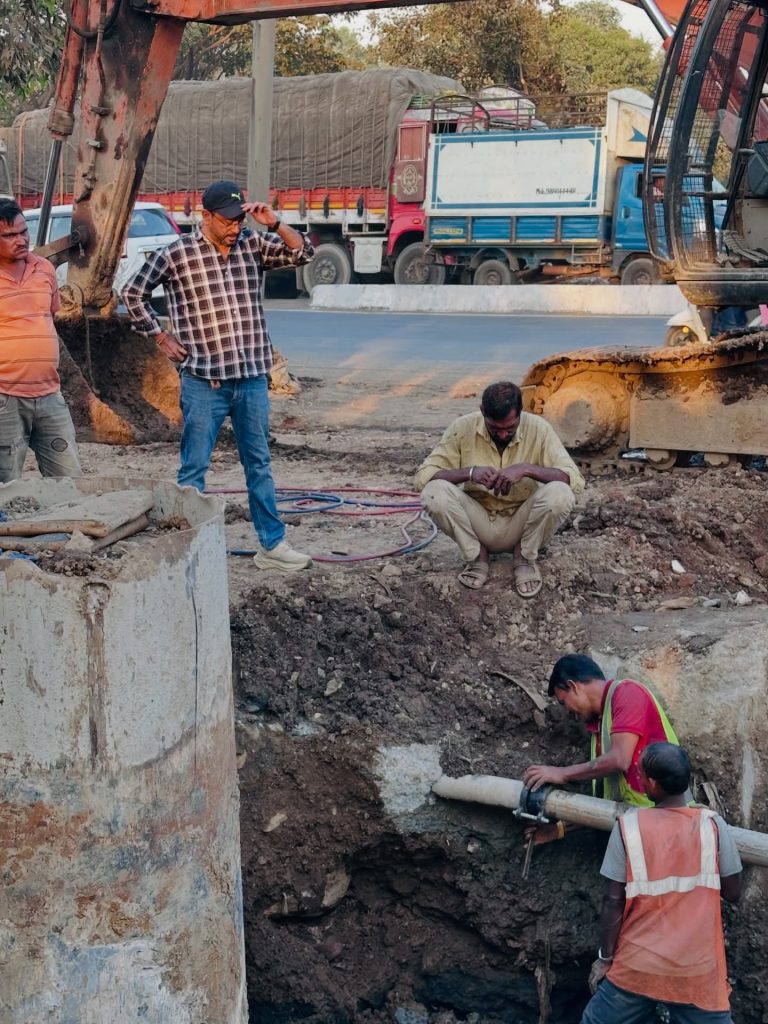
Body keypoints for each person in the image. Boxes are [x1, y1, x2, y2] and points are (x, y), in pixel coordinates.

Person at [122, 180, 314, 572]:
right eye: (227, 220)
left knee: (258, 463)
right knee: (194, 468)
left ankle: (272, 546)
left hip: (252, 379)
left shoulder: (252, 245)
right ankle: (187, 548)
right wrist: (159, 335)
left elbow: (304, 254)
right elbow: (132, 293)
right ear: (205, 216)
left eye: (239, 218)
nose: (235, 227)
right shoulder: (178, 254)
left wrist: (274, 224)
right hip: (204, 382)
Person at [582, 742, 741, 1023]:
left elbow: (613, 901)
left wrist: (605, 958)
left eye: (642, 775)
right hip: (696, 972)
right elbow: (732, 893)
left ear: (653, 785)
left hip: (638, 967)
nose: (639, 778)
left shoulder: (628, 827)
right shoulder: (713, 825)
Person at [414, 381, 584, 596]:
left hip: (522, 524)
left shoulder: (538, 428)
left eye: (509, 428)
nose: (503, 435)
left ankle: (524, 556)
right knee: (433, 493)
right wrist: (470, 472)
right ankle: (477, 557)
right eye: (495, 428)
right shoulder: (462, 427)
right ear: (483, 412)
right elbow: (423, 477)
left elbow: (574, 479)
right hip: (478, 523)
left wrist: (526, 469)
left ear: (520, 414)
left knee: (560, 493)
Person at [523, 654, 681, 843]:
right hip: (641, 830)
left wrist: (562, 773)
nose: (567, 711)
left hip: (670, 827)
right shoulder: (602, 728)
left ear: (574, 686)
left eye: (564, 702)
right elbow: (608, 803)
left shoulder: (628, 693)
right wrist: (557, 830)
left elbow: (620, 760)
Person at [0, 198, 81, 482]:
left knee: (69, 480)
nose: (21, 240)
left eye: (23, 231)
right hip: (5, 398)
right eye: (9, 235)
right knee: (6, 486)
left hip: (49, 396)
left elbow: (49, 316)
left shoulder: (44, 269)